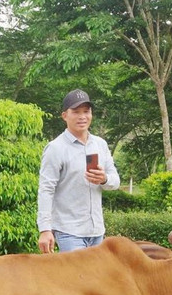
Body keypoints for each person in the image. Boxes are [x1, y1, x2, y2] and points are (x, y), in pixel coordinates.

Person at [37, 88, 120, 253]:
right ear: (64, 116)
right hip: (69, 232)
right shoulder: (56, 148)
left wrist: (104, 179)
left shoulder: (100, 144)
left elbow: (116, 182)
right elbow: (46, 189)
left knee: (96, 279)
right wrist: (45, 229)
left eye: (86, 111)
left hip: (97, 232)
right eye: (76, 112)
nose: (82, 116)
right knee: (77, 279)